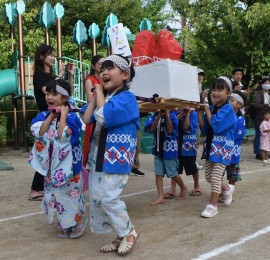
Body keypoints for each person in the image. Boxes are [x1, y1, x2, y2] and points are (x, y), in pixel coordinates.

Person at [83, 55, 140, 255]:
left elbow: (105, 116)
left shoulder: (127, 98)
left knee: (108, 196)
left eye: (110, 68)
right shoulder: (106, 97)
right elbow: (87, 117)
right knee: (97, 196)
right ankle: (120, 234)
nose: (104, 72)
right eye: (102, 69)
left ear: (125, 75)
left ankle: (129, 232)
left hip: (117, 157)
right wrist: (97, 94)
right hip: (100, 155)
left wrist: (99, 92)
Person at [28, 79, 87, 238]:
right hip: (52, 168)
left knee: (72, 195)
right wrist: (51, 116)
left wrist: (63, 116)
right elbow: (39, 133)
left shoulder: (73, 118)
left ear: (65, 97)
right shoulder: (43, 114)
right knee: (57, 196)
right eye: (48, 93)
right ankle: (64, 222)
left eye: (54, 94)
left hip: (69, 167)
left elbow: (63, 137)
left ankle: (79, 219)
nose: (49, 97)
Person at [29, 44, 74, 201]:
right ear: (42, 56)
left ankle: (41, 187)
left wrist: (68, 75)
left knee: (52, 151)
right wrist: (58, 76)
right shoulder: (39, 75)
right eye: (50, 55)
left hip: (55, 115)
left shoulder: (52, 75)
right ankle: (35, 189)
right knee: (45, 152)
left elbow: (64, 91)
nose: (53, 57)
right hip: (45, 116)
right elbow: (48, 92)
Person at [198, 76, 237, 218]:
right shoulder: (213, 108)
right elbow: (205, 129)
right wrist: (199, 114)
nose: (215, 92)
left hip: (223, 148)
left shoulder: (228, 109)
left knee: (215, 177)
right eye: (214, 89)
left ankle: (212, 206)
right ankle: (227, 188)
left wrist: (207, 109)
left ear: (228, 93)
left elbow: (217, 126)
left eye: (220, 90)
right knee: (208, 177)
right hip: (210, 147)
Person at [144, 110, 187, 205]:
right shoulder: (154, 115)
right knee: (158, 173)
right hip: (158, 150)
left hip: (170, 150)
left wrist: (167, 116)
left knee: (173, 173)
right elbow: (151, 129)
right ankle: (160, 196)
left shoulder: (173, 115)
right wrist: (158, 117)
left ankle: (183, 188)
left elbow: (171, 130)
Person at [165, 107, 200, 198]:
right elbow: (173, 124)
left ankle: (196, 185)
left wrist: (187, 114)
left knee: (192, 167)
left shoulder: (194, 114)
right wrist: (181, 114)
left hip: (188, 145)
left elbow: (186, 127)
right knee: (175, 168)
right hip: (176, 143)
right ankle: (173, 188)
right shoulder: (175, 111)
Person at [220, 90, 247, 205]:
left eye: (232, 100)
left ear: (239, 104)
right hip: (222, 150)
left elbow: (236, 134)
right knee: (219, 173)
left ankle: (229, 192)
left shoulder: (241, 119)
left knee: (232, 174)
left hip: (233, 151)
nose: (229, 102)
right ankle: (223, 191)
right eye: (229, 99)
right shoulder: (224, 114)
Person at [82, 55, 105, 167]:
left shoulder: (105, 79)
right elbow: (90, 98)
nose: (103, 66)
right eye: (100, 64)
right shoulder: (90, 80)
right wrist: (100, 93)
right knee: (92, 142)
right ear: (93, 65)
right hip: (94, 113)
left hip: (104, 111)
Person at [253, 78, 270, 160]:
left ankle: (265, 152)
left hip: (267, 119)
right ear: (262, 84)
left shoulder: (268, 94)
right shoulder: (259, 95)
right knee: (259, 136)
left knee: (266, 136)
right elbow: (256, 106)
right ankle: (258, 153)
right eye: (266, 83)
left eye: (269, 83)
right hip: (259, 119)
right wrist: (266, 105)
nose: (268, 84)